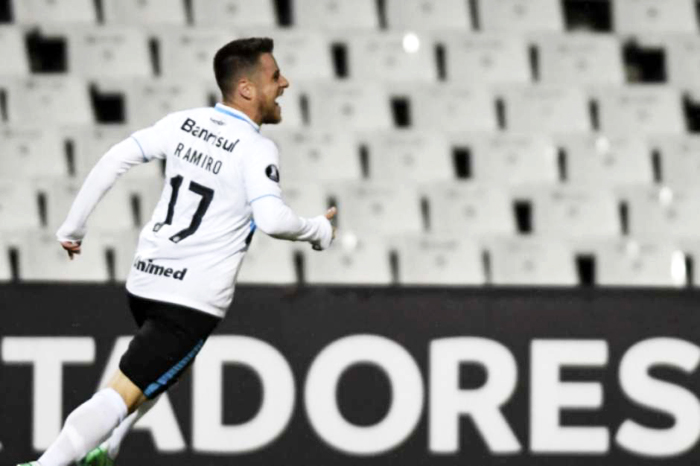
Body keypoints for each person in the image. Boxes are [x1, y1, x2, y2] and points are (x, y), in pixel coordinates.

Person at [18, 37, 336, 466]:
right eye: (275, 76)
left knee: (158, 371)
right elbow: (274, 221)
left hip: (145, 281)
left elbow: (115, 157)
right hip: (188, 301)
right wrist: (316, 229)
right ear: (246, 88)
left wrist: (72, 226)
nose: (285, 83)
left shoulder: (184, 122)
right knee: (121, 393)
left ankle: (107, 448)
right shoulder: (256, 148)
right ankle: (49, 463)